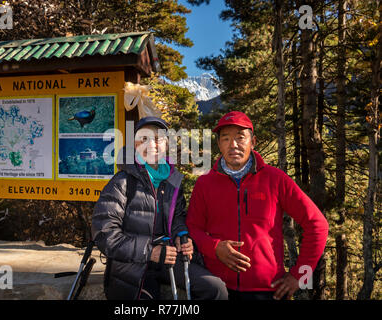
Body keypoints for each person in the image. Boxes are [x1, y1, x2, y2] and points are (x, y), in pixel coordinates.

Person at [186, 111, 329, 300]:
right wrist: (214, 248)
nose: (233, 145)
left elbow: (318, 224)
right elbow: (192, 228)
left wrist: (299, 276)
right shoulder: (204, 184)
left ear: (253, 142)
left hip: (269, 291)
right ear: (219, 144)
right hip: (218, 289)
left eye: (240, 138)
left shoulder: (276, 180)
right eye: (226, 139)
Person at [92, 116, 228, 300]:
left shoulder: (172, 181)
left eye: (158, 138)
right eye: (144, 138)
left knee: (216, 289)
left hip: (168, 257)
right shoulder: (122, 182)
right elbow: (104, 234)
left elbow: (178, 217)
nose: (152, 144)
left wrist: (181, 235)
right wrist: (150, 251)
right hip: (133, 266)